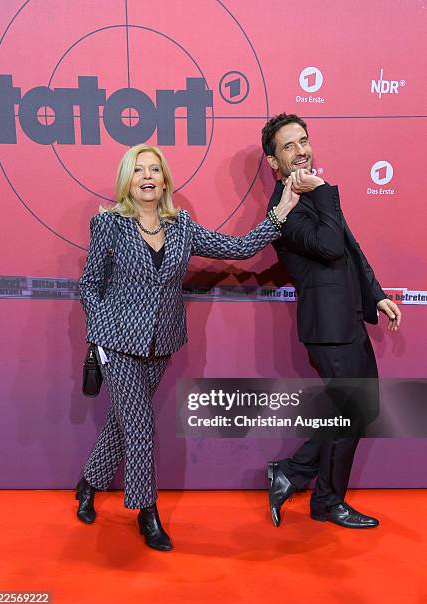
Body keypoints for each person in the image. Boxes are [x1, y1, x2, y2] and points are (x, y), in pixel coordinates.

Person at [77, 143, 298, 551]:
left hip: (162, 342)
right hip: (118, 342)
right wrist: (101, 329)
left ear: (164, 180)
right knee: (140, 427)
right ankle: (148, 513)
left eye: (154, 170)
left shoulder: (182, 226)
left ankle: (88, 483)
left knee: (124, 423)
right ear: (127, 179)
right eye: (139, 170)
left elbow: (239, 248)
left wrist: (280, 212)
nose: (147, 177)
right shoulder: (108, 223)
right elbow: (89, 284)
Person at [263, 113, 402, 529]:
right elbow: (326, 246)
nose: (300, 150)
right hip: (326, 329)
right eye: (288, 146)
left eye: (303, 141)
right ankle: (325, 500)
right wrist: (322, 190)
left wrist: (376, 295)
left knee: (362, 409)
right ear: (274, 162)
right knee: (349, 411)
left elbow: (350, 248)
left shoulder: (315, 199)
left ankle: (292, 470)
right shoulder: (283, 209)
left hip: (349, 321)